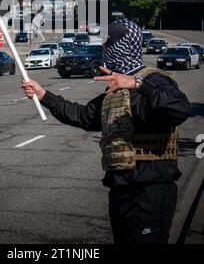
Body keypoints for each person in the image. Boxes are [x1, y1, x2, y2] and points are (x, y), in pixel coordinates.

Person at [22, 18, 190, 244]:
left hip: (151, 190)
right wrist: (43, 95)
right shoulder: (115, 88)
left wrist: (137, 83)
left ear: (124, 44)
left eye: (108, 41)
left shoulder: (155, 80)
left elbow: (179, 109)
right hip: (120, 189)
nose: (104, 47)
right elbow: (83, 116)